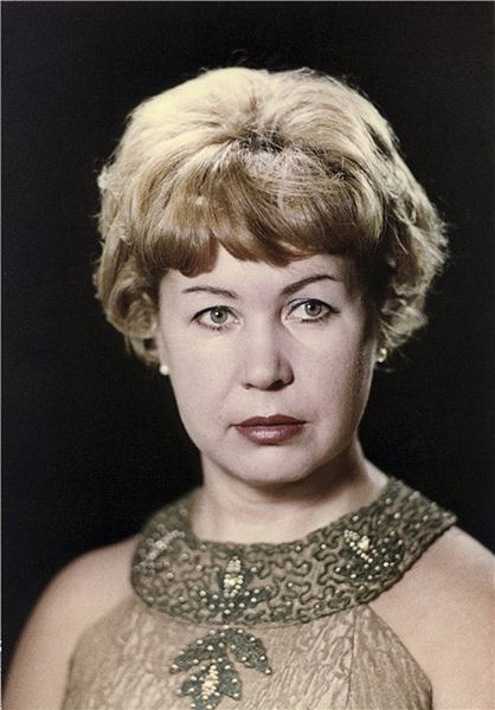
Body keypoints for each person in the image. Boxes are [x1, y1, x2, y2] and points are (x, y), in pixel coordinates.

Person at [5, 67, 494, 710]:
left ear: (381, 314)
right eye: (216, 313)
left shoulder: (472, 615)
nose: (264, 370)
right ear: (154, 327)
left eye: (310, 307)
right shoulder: (76, 612)